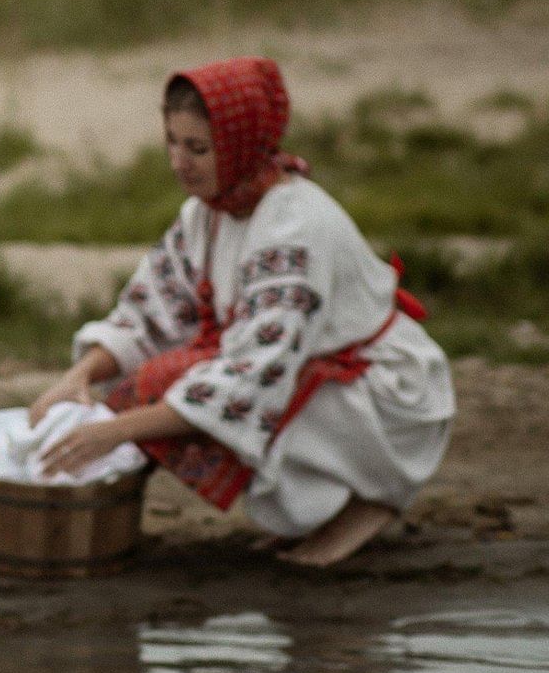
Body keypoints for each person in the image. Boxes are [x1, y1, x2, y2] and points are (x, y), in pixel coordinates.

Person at [31, 57, 453, 566]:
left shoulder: (293, 227)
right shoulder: (207, 213)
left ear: (239, 145)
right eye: (173, 142)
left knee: (194, 397)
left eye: (198, 148)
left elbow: (255, 373)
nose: (179, 162)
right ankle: (325, 506)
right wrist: (77, 378)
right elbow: (150, 310)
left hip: (383, 396)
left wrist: (113, 431)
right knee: (152, 384)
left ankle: (372, 498)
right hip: (300, 370)